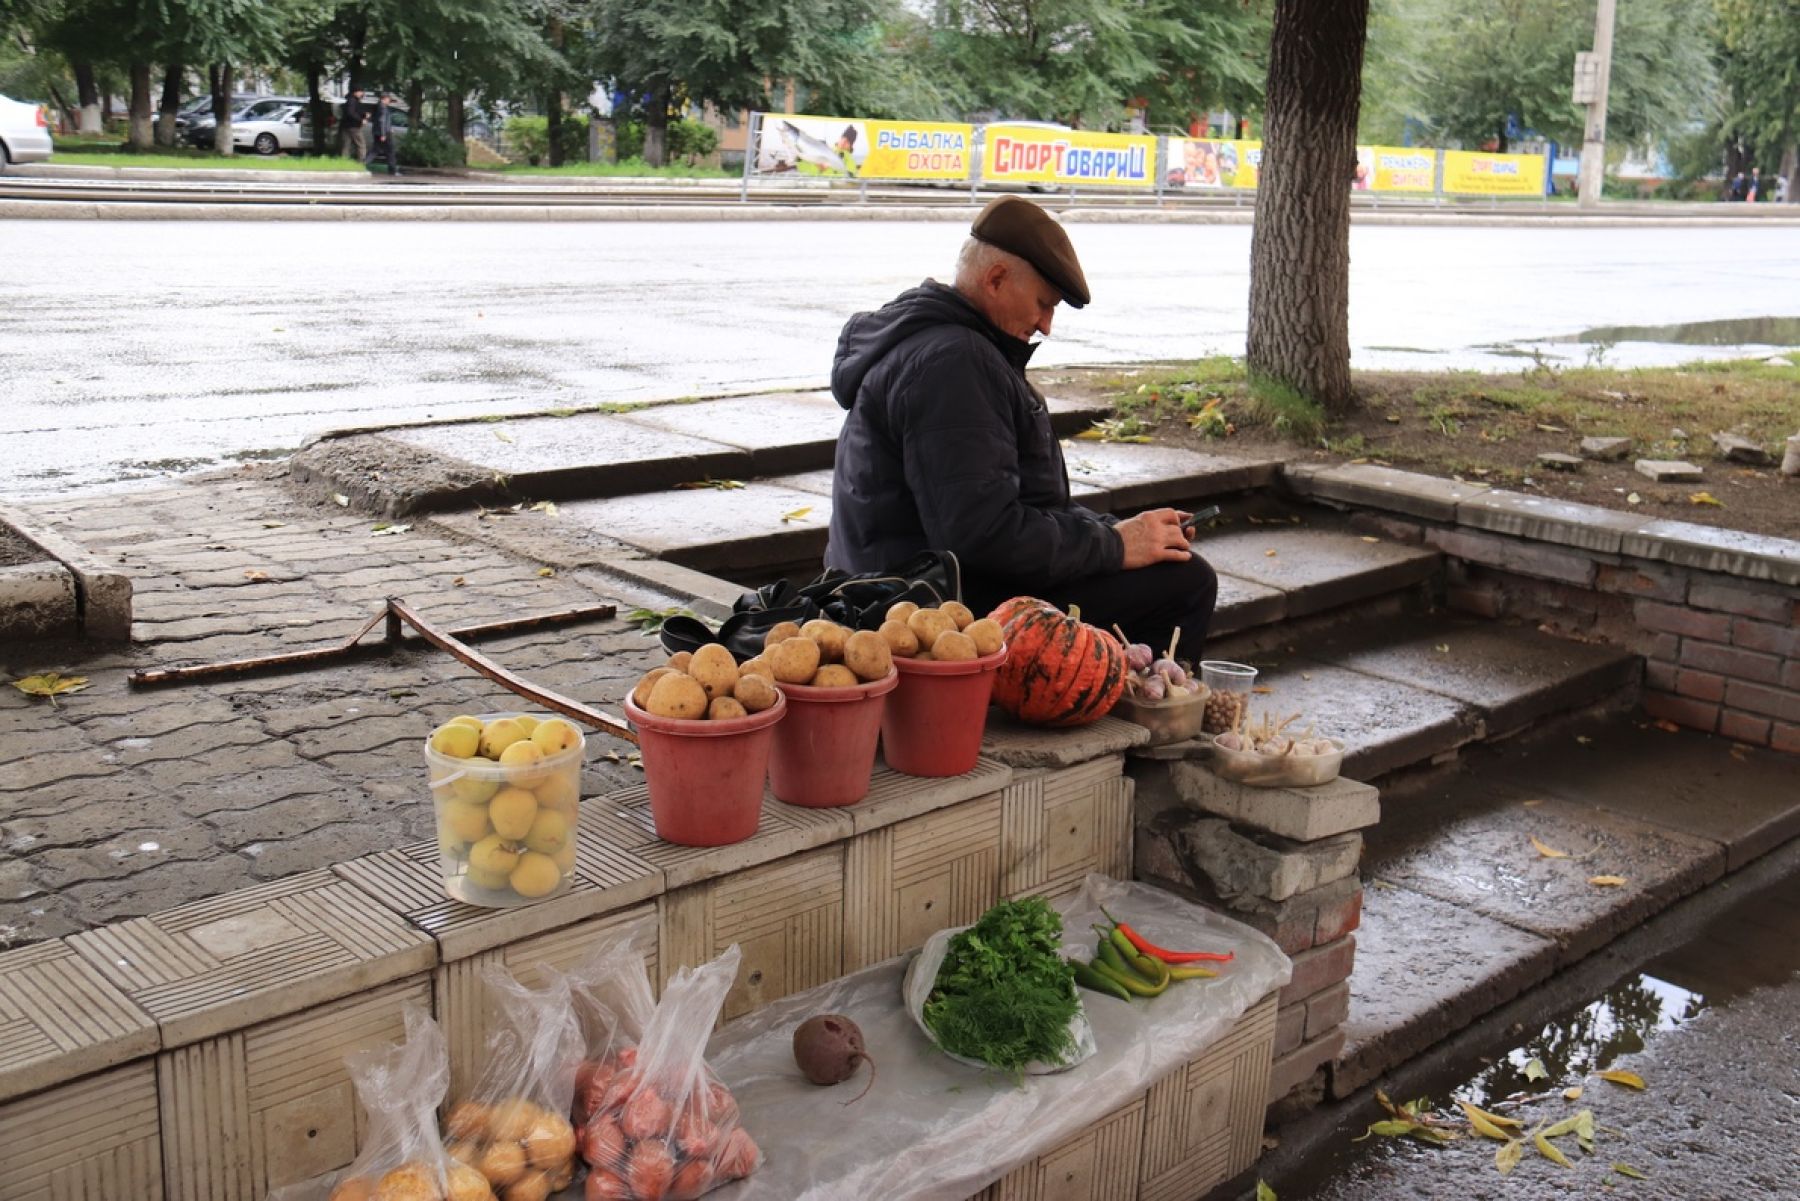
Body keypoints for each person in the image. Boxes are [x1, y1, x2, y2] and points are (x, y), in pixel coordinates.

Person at [824, 195, 1218, 657]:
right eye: (1043, 304)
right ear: (995, 279)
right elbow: (982, 534)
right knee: (1186, 583)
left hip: (917, 582)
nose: (1046, 325)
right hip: (922, 608)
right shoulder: (954, 363)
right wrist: (1113, 545)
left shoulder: (953, 345)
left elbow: (1018, 504)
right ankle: (1141, 718)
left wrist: (1124, 530)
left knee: (1169, 563)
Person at [370, 92, 399, 176]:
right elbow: (381, 121)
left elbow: (382, 121)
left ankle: (362, 164)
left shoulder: (378, 106)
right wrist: (383, 134)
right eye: (388, 100)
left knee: (375, 150)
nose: (389, 101)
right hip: (384, 133)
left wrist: (389, 127)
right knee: (390, 151)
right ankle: (392, 170)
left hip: (379, 131)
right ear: (384, 99)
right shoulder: (382, 108)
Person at [340, 86, 368, 162]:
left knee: (346, 145)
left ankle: (343, 162)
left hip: (346, 125)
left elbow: (354, 111)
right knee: (361, 145)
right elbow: (351, 113)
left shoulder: (351, 100)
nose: (362, 93)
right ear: (355, 92)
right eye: (360, 91)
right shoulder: (352, 101)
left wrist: (364, 114)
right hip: (354, 126)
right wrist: (361, 120)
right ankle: (361, 162)